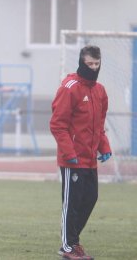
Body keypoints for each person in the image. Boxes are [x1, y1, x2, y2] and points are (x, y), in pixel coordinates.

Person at [50, 45, 111, 260]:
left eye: (97, 64)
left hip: (90, 159)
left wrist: (104, 147)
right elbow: (58, 124)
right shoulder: (69, 87)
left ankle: (73, 241)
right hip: (72, 159)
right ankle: (67, 247)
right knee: (72, 202)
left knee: (90, 198)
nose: (94, 68)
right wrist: (69, 152)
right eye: (89, 64)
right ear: (81, 62)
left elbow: (99, 125)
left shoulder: (100, 91)